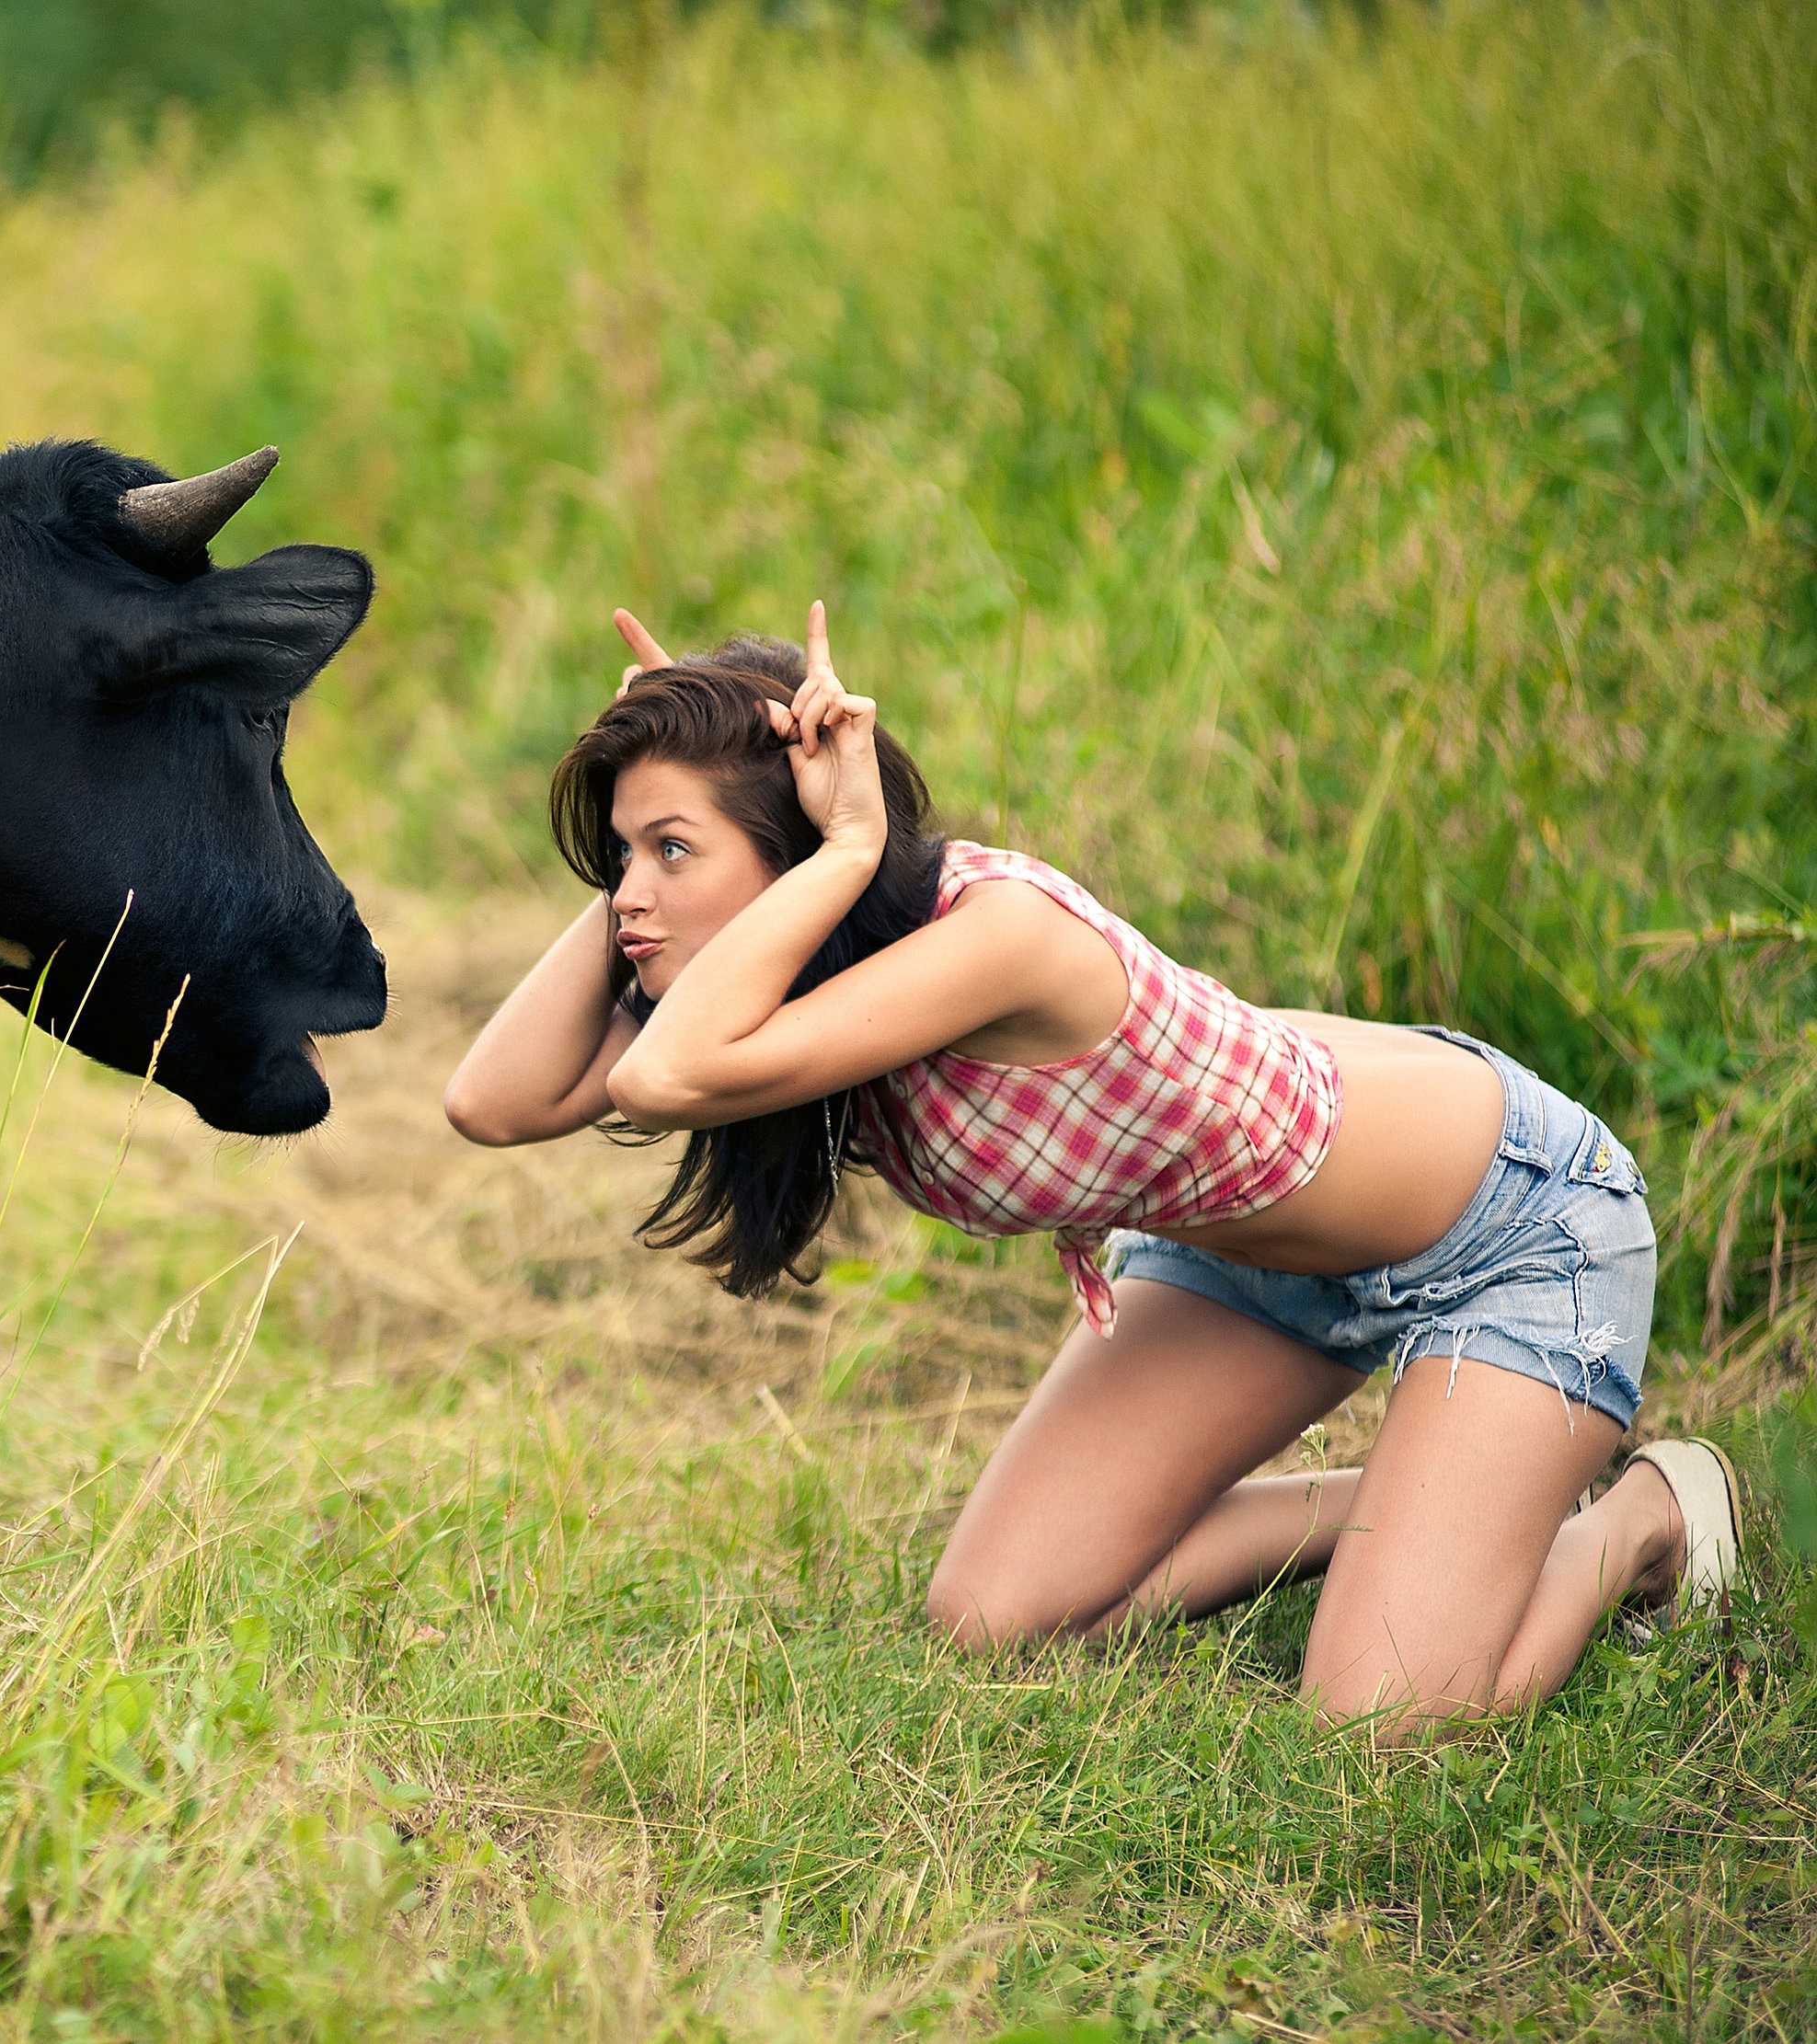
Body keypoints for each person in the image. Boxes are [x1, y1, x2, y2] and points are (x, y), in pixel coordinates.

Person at [444, 601, 1743, 1739]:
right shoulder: (780, 987)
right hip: (1241, 1261)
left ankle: (1632, 1517)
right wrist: (659, 822)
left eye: (670, 854)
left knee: (1386, 1724)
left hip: (1508, 1228)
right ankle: (1435, 1501)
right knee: (991, 1615)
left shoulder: (994, 936)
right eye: (625, 855)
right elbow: (493, 1102)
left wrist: (838, 845)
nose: (630, 894)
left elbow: (660, 1078)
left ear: (793, 853)